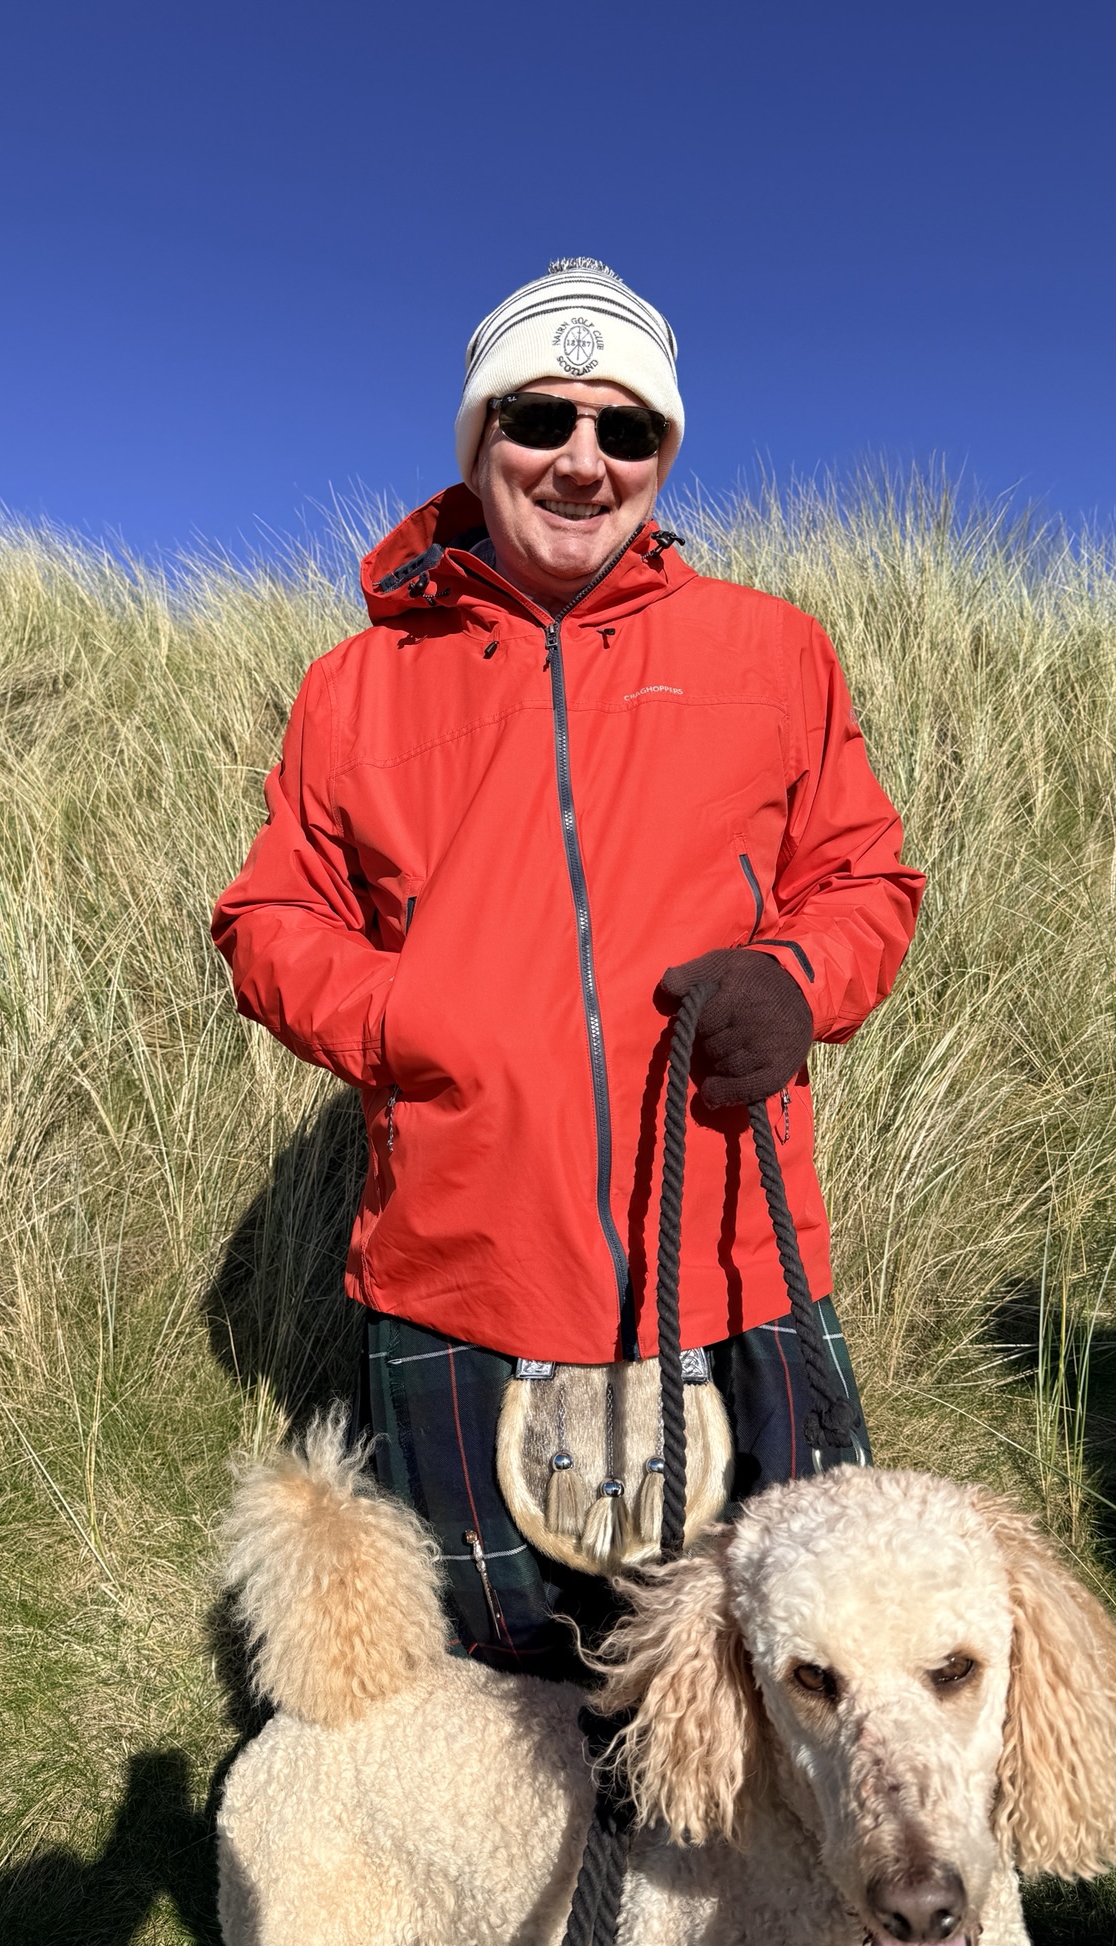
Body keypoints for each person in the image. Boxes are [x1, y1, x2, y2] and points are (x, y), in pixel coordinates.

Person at [212, 259, 925, 1678]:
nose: (583, 462)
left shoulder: (775, 650)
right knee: (490, 1700)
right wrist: (414, 1017)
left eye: (627, 429)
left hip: (732, 1262)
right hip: (460, 1272)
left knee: (782, 1690)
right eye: (540, 418)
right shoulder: (356, 685)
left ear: (663, 452)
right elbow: (270, 916)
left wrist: (796, 980)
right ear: (479, 440)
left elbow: (865, 878)